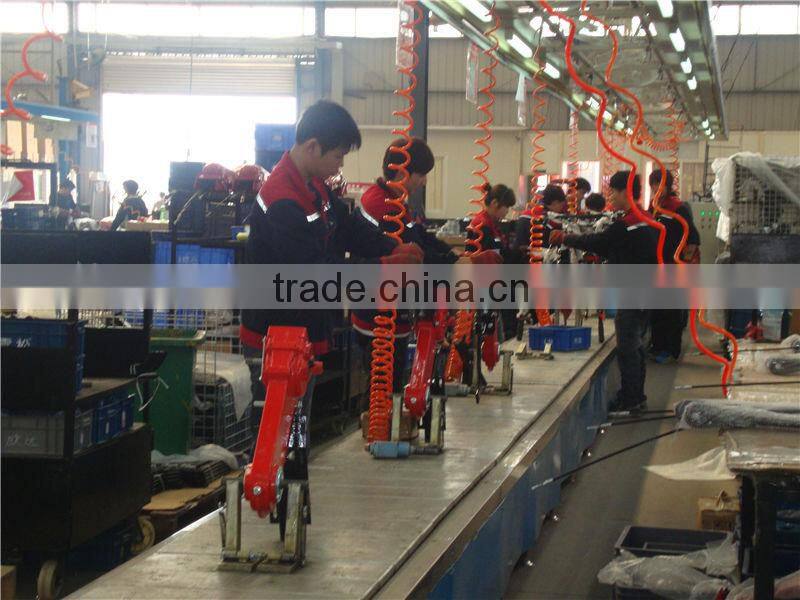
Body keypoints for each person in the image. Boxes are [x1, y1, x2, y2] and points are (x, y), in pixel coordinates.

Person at [239, 101, 422, 479]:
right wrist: (383, 268)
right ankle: (270, 491)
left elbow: (348, 227)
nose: (340, 165)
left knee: (297, 429)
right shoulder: (282, 199)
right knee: (277, 431)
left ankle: (292, 487)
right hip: (275, 338)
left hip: (301, 333)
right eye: (338, 156)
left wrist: (393, 247)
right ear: (313, 147)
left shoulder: (313, 188)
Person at [352, 137, 499, 390]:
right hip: (378, 315)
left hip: (395, 310)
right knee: (382, 389)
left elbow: (420, 237)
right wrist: (457, 264)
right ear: (402, 172)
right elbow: (411, 255)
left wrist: (455, 256)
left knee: (393, 385)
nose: (424, 181)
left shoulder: (396, 202)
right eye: (421, 175)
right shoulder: (380, 204)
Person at [549, 171, 658, 412]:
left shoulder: (627, 224)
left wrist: (566, 238)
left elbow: (600, 242)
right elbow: (616, 248)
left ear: (624, 192)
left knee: (628, 346)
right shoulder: (646, 218)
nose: (610, 198)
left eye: (613, 193)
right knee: (636, 344)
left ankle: (630, 399)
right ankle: (637, 395)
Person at [648, 169, 701, 363]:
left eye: (659, 184)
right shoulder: (654, 207)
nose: (656, 189)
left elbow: (693, 238)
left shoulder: (678, 208)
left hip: (673, 267)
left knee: (671, 311)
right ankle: (657, 346)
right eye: (653, 185)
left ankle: (670, 350)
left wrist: (683, 263)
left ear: (668, 186)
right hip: (657, 266)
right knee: (657, 310)